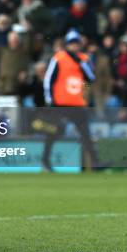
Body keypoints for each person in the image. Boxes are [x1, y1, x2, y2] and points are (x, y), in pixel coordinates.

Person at [42, 30, 99, 170]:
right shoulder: (59, 57)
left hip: (77, 102)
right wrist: (49, 98)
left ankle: (95, 162)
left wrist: (83, 68)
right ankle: (45, 160)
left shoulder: (84, 59)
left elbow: (90, 79)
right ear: (67, 44)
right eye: (71, 43)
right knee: (53, 131)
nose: (74, 46)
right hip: (60, 102)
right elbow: (49, 79)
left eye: (76, 43)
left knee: (85, 133)